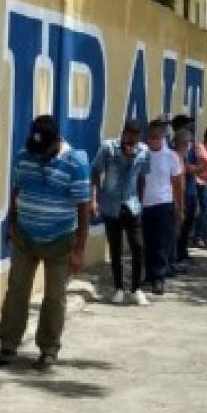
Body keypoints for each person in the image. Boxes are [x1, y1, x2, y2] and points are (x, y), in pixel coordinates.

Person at [0, 115, 91, 370]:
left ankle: (48, 349)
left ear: (57, 141)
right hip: (25, 236)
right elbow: (16, 192)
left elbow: (84, 209)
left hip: (60, 239)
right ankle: (8, 344)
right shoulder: (24, 155)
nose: (39, 156)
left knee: (54, 296)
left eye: (44, 151)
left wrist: (79, 250)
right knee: (17, 291)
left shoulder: (76, 162)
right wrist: (11, 226)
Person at [91, 120, 149, 306]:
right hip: (111, 205)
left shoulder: (143, 152)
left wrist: (141, 200)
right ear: (123, 134)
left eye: (136, 139)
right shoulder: (108, 148)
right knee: (115, 249)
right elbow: (95, 171)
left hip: (132, 205)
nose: (132, 142)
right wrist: (95, 198)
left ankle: (136, 288)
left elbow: (142, 176)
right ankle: (118, 288)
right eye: (129, 137)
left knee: (138, 246)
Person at [140, 119, 185, 295]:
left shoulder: (171, 156)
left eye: (157, 137)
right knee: (147, 242)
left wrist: (180, 207)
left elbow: (177, 184)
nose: (154, 140)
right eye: (151, 137)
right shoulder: (143, 154)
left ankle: (159, 278)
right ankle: (149, 276)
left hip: (164, 204)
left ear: (163, 137)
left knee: (161, 243)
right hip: (145, 204)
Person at [173, 128, 201, 272]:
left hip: (189, 192)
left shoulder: (186, 155)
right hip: (181, 196)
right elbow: (182, 177)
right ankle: (175, 258)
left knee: (186, 228)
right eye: (188, 143)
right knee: (179, 229)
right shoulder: (176, 156)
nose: (190, 145)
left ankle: (182, 254)